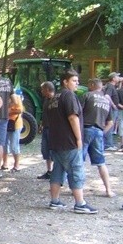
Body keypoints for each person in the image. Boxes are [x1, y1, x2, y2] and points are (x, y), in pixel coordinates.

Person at [48, 69, 97, 214]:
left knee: (57, 171)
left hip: (56, 141)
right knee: (76, 171)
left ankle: (55, 201)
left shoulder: (54, 97)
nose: (77, 83)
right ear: (65, 81)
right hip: (69, 142)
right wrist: (79, 138)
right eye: (74, 81)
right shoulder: (68, 95)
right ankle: (80, 203)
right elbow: (72, 117)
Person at [80, 78, 115, 197]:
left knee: (79, 160)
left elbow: (78, 113)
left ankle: (78, 188)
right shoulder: (106, 101)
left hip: (86, 130)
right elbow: (110, 122)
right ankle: (108, 190)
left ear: (92, 85)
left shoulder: (87, 95)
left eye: (89, 84)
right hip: (99, 131)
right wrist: (101, 132)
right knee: (101, 162)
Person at [37, 81, 56, 179]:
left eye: (43, 89)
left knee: (54, 151)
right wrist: (42, 124)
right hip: (46, 128)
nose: (41, 91)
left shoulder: (56, 100)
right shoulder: (46, 100)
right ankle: (49, 171)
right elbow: (45, 113)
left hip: (53, 130)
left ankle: (56, 172)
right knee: (46, 150)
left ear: (48, 89)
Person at [3, 93, 23, 172]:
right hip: (4, 123)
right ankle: (4, 163)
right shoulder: (2, 96)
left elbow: (20, 110)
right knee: (4, 144)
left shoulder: (16, 97)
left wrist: (8, 112)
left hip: (15, 124)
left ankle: (16, 165)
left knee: (14, 146)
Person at [102, 72, 120, 150]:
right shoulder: (110, 86)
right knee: (110, 125)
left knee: (111, 126)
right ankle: (108, 145)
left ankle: (109, 144)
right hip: (111, 109)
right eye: (117, 77)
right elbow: (107, 96)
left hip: (112, 109)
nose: (119, 78)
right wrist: (113, 105)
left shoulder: (112, 86)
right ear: (113, 79)